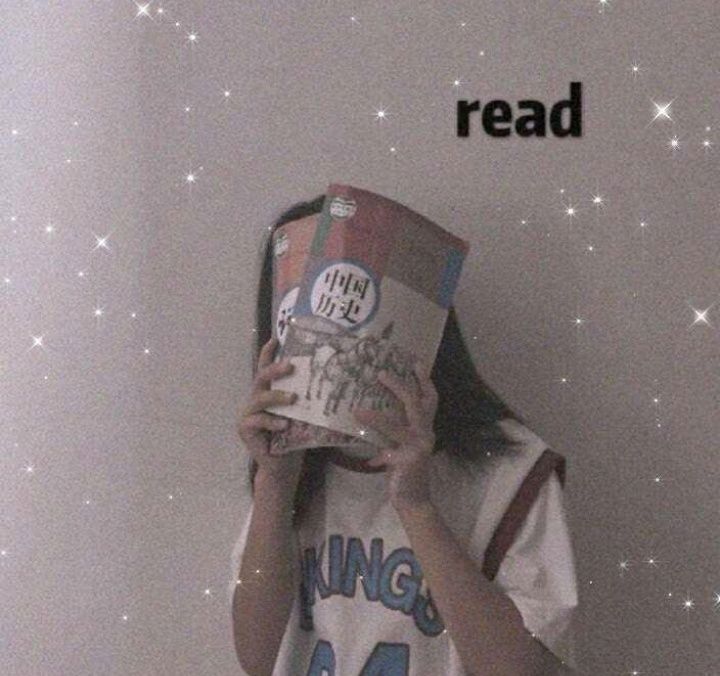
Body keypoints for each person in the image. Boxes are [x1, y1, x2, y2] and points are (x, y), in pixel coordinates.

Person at [229, 194, 580, 675]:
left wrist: (417, 507)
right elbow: (255, 655)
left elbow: (523, 669)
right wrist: (274, 484)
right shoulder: (294, 474)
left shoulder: (509, 471)